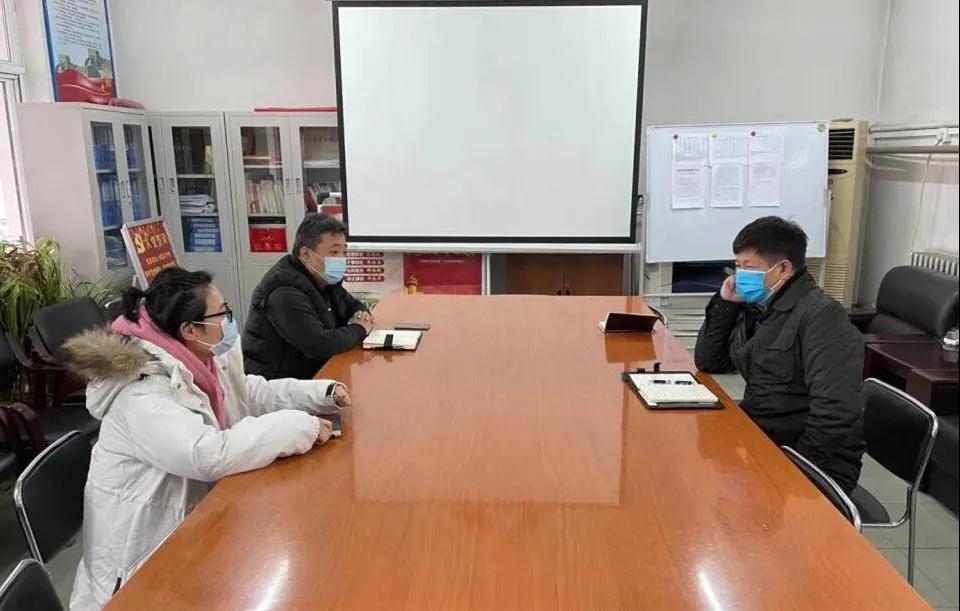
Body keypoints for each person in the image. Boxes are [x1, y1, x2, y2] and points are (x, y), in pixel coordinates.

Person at [60, 267, 350, 611]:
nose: (230, 321)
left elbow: (248, 393)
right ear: (190, 329)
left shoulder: (199, 358)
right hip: (138, 574)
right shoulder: (139, 392)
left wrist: (319, 394)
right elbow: (208, 454)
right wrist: (299, 426)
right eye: (222, 313)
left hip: (195, 530)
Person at [694, 216, 865, 493]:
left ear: (783, 268)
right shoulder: (759, 306)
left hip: (808, 459)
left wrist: (792, 473)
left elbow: (835, 413)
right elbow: (709, 361)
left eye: (748, 267)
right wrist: (727, 305)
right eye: (737, 266)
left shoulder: (822, 317)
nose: (739, 276)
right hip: (761, 436)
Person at [243, 214, 373, 379]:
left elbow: (353, 305)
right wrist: (359, 328)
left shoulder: (324, 279)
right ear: (305, 254)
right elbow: (319, 345)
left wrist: (360, 315)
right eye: (334, 252)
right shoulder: (284, 292)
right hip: (278, 383)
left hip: (309, 374)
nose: (341, 259)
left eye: (344, 252)